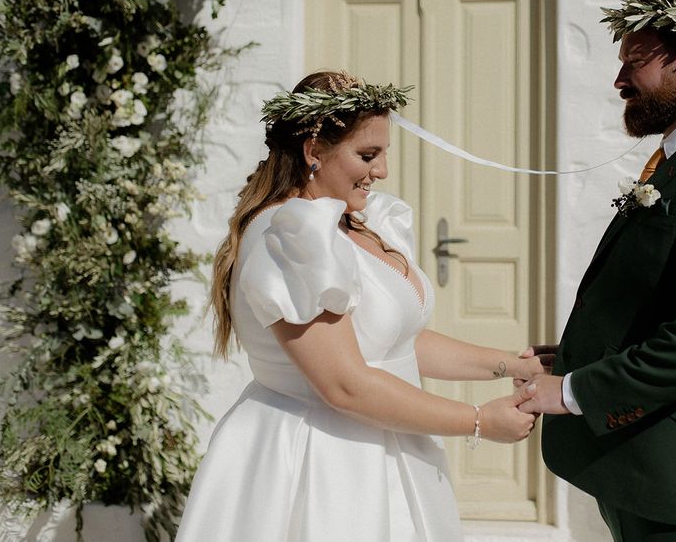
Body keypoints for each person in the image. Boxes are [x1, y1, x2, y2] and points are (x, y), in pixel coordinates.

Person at [176, 70, 546, 542]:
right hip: (323, 463)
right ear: (314, 151)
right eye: (367, 155)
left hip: (384, 443)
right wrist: (477, 421)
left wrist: (510, 365)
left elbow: (393, 342)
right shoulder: (291, 237)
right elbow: (344, 385)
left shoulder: (350, 225)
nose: (382, 171)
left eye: (383, 153)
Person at [518, 0, 676, 542]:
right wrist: (579, 353)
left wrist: (575, 390)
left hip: (674, 477)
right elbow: (657, 294)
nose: (619, 80)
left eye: (635, 61)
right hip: (636, 466)